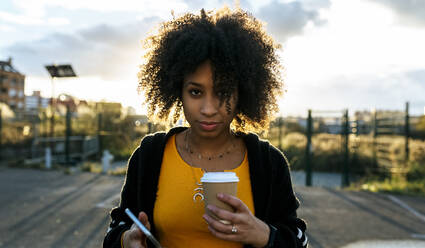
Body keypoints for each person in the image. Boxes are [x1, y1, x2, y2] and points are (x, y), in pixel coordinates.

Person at [103, 7, 307, 248]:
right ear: (177, 91)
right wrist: (127, 240)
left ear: (243, 94)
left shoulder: (268, 163)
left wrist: (264, 234)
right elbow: (117, 229)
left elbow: (299, 240)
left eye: (223, 92)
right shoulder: (150, 156)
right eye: (196, 92)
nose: (209, 108)